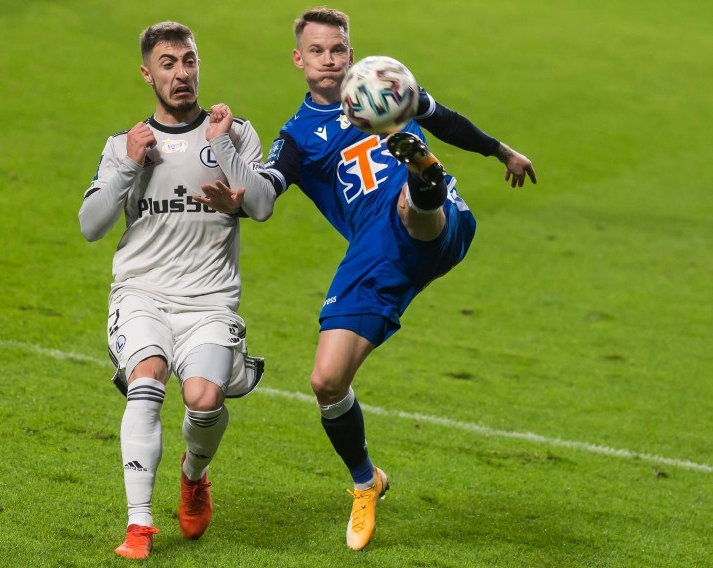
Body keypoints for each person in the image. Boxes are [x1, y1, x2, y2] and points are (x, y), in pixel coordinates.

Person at [198, 7, 537, 552]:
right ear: (299, 60)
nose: (329, 60)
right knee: (325, 382)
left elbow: (446, 117)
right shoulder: (298, 136)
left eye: (337, 50)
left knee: (412, 205)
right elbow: (264, 200)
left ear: (350, 53)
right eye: (317, 52)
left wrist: (502, 151)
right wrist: (232, 196)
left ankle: (424, 176)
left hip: (433, 223)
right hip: (373, 255)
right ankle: (366, 481)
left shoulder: (386, 83)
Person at [78, 21, 274, 560]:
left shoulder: (234, 132)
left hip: (210, 300)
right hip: (142, 294)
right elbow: (91, 225)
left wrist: (225, 151)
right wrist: (125, 167)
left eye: (188, 61)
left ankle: (194, 476)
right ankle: (138, 527)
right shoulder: (126, 144)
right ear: (148, 74)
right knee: (148, 379)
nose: (181, 73)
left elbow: (261, 206)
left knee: (204, 400)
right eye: (168, 64)